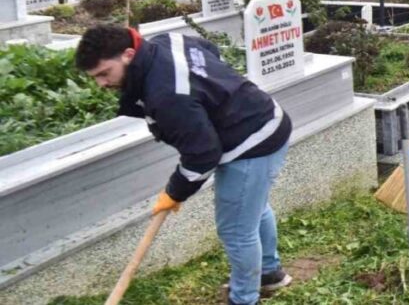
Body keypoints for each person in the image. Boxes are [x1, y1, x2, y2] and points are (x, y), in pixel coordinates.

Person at [75, 25, 293, 305]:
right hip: (265, 119)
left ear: (129, 54)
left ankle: (244, 298)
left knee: (237, 229)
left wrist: (175, 192)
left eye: (104, 73)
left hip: (253, 141)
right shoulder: (164, 42)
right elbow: (208, 49)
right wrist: (212, 93)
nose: (102, 84)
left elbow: (202, 154)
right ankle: (269, 273)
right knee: (252, 208)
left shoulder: (167, 95)